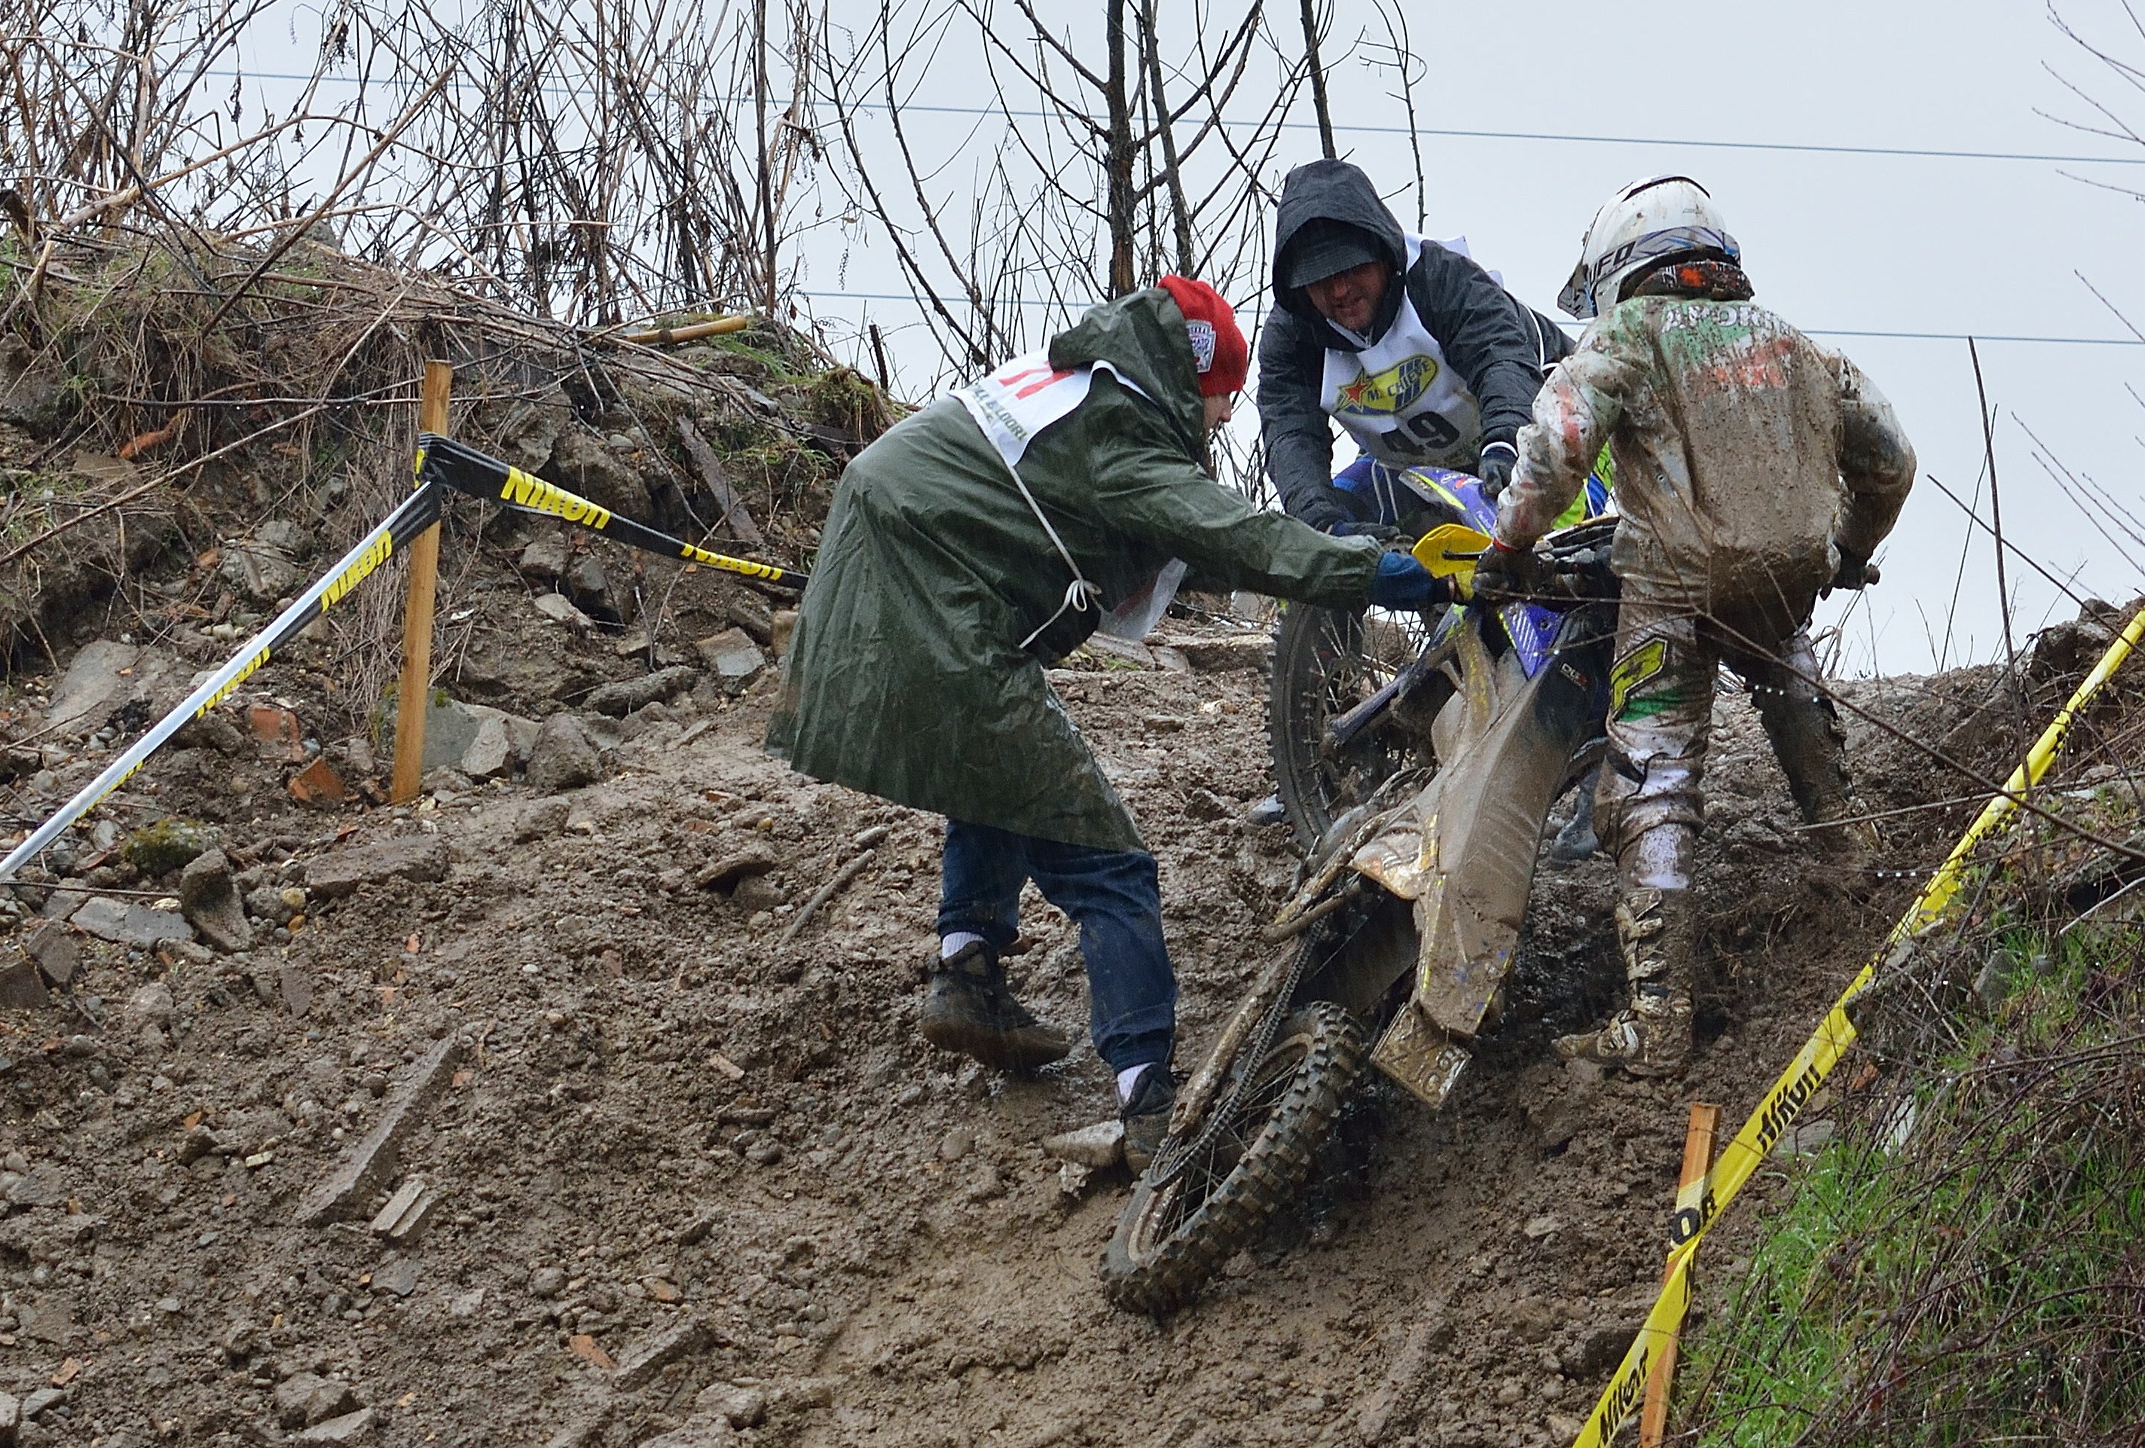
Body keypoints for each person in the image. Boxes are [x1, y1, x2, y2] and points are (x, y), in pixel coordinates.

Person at [767, 276, 1449, 1159]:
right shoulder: (1122, 433)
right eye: (1222, 405)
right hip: (933, 605)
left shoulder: (1082, 387)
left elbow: (1171, 544)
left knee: (1002, 763)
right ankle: (1149, 1103)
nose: (1217, 424)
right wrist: (1378, 570)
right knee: (1112, 863)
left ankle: (966, 967)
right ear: (1199, 380)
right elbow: (1241, 538)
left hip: (895, 572)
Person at [1481, 175, 1916, 1077]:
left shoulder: (1632, 332)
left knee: (1654, 775)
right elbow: (1891, 455)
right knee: (1793, 692)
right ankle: (1859, 871)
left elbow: (1561, 440)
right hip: (1787, 579)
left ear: (1620, 268)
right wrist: (1846, 546)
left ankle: (1656, 1014)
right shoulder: (1794, 344)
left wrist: (1512, 539)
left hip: (1671, 590)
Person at [1257, 159, 1572, 535]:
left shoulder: (1441, 279)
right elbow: (1292, 434)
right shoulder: (1292, 335)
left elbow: (1499, 359)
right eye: (1320, 279)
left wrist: (1505, 442)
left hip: (1546, 417)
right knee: (1318, 536)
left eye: (1352, 269)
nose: (1340, 291)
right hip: (1420, 465)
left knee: (1546, 556)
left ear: (1382, 254)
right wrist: (1321, 523)